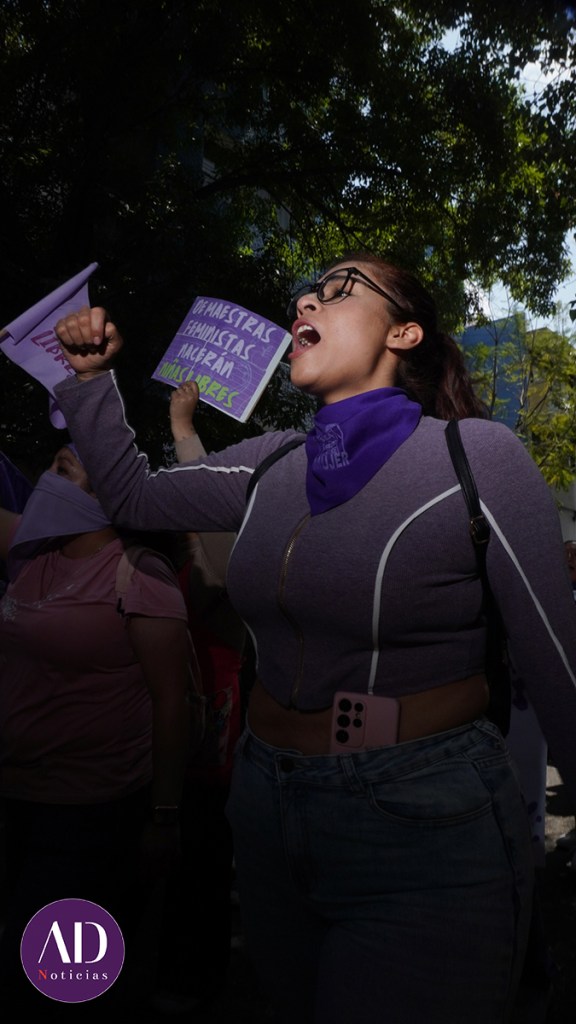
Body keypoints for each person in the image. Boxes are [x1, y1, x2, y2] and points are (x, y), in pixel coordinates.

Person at [53, 255, 576, 1024]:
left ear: (404, 332)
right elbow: (132, 494)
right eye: (308, 290)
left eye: (340, 290)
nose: (307, 297)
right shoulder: (273, 462)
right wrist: (92, 380)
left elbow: (558, 671)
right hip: (266, 809)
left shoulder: (479, 457)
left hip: (425, 822)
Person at [0, 443, 196, 1015]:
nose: (58, 457)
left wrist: (164, 816)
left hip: (91, 812)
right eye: (56, 460)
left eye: (73, 465)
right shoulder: (35, 552)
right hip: (18, 799)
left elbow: (171, 702)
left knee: (54, 982)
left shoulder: (139, 572)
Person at [154, 382, 246, 1013]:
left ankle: (199, 985)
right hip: (174, 743)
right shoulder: (161, 568)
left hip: (214, 744)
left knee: (204, 863)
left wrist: (184, 429)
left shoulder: (220, 571)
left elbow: (210, 529)